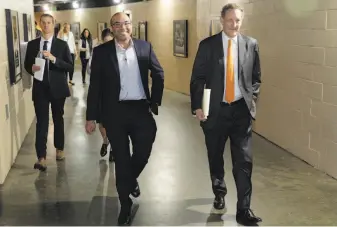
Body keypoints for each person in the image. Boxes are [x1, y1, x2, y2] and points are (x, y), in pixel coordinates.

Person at [85, 12, 164, 225]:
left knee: (144, 150)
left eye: (126, 23)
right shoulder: (101, 52)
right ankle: (125, 205)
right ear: (112, 28)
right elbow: (95, 87)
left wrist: (154, 101)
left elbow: (158, 73)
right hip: (114, 113)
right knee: (121, 158)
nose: (123, 27)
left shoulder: (144, 47)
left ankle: (129, 180)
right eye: (117, 24)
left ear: (132, 26)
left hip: (140, 110)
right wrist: (91, 116)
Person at [190, 3, 262, 226]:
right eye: (230, 20)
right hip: (215, 112)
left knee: (244, 161)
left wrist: (252, 100)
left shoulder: (251, 44)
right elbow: (197, 78)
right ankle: (219, 190)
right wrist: (198, 106)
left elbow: (256, 78)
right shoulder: (208, 46)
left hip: (241, 111)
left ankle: (244, 209)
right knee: (215, 155)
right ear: (222, 20)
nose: (234, 24)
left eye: (238, 20)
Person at [24, 14, 73, 171]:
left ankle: (59, 149)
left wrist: (53, 59)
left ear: (53, 24)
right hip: (40, 89)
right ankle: (41, 157)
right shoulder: (32, 45)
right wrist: (31, 69)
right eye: (43, 23)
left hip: (58, 89)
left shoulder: (62, 45)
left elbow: (69, 66)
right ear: (39, 25)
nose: (46, 26)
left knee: (58, 119)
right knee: (41, 123)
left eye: (49, 23)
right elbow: (27, 64)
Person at [87, 28, 115, 162]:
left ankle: (114, 148)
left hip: (115, 95)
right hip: (101, 94)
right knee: (102, 123)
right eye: (106, 42)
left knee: (116, 124)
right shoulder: (98, 52)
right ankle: (106, 141)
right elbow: (89, 70)